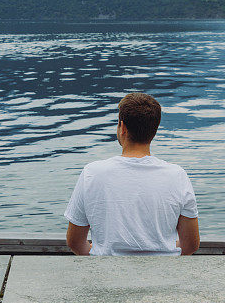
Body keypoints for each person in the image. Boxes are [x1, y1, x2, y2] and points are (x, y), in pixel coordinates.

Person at [64, 92, 200, 256]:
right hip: (163, 275)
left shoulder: (92, 173)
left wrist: (101, 255)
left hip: (107, 275)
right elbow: (191, 244)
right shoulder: (177, 176)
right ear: (154, 130)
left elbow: (75, 242)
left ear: (122, 128)